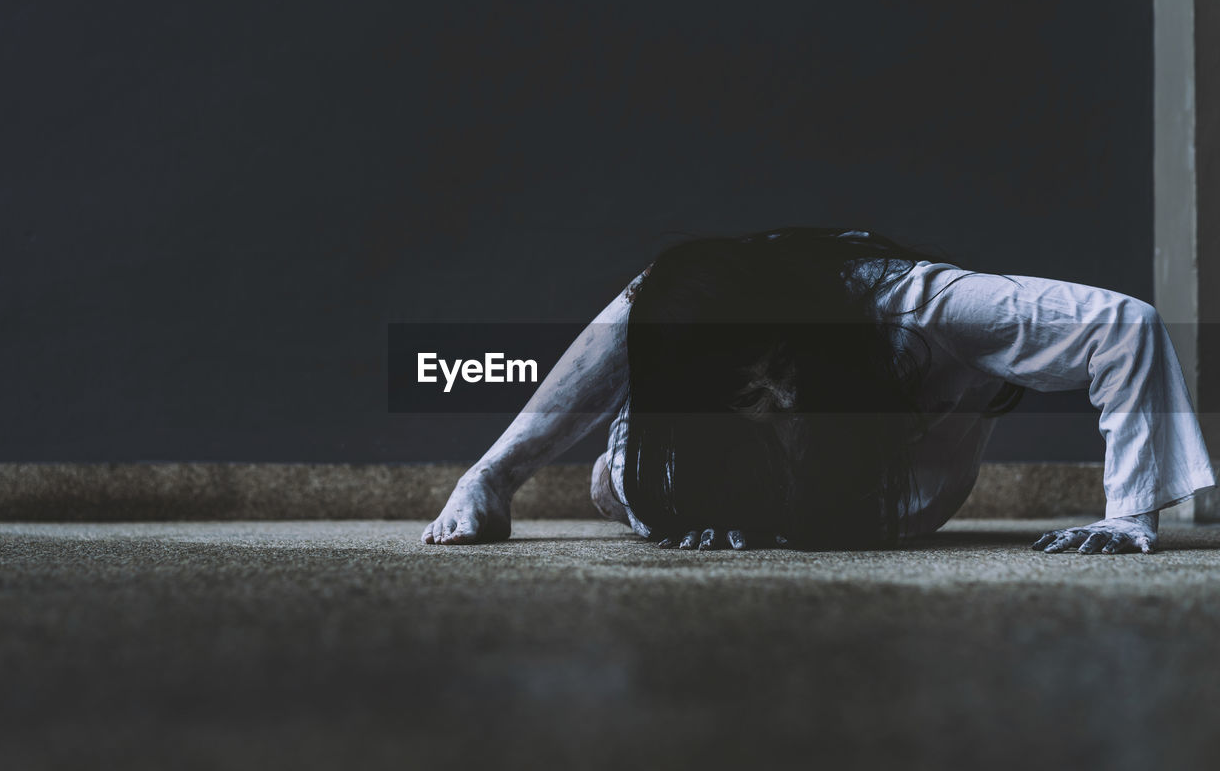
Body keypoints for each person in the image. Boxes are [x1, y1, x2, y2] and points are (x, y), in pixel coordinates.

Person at [422, 227, 1216, 554]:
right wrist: (491, 473)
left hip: (906, 472)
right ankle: (529, 475)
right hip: (729, 468)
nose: (768, 396)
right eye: (742, 391)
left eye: (771, 378)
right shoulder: (681, 386)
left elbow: (1126, 325)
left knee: (624, 454)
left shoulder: (923, 307)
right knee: (615, 472)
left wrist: (1128, 514)